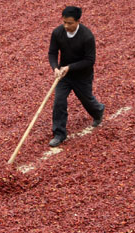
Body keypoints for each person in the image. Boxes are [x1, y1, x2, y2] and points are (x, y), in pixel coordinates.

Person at [47, 6, 105, 147]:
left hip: (82, 75)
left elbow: (90, 60)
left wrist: (70, 67)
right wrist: (55, 67)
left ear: (78, 21)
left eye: (70, 23)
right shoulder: (57, 33)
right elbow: (52, 53)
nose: (66, 26)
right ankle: (59, 134)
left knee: (87, 100)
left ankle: (98, 111)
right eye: (64, 22)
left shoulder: (87, 36)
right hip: (63, 75)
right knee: (59, 102)